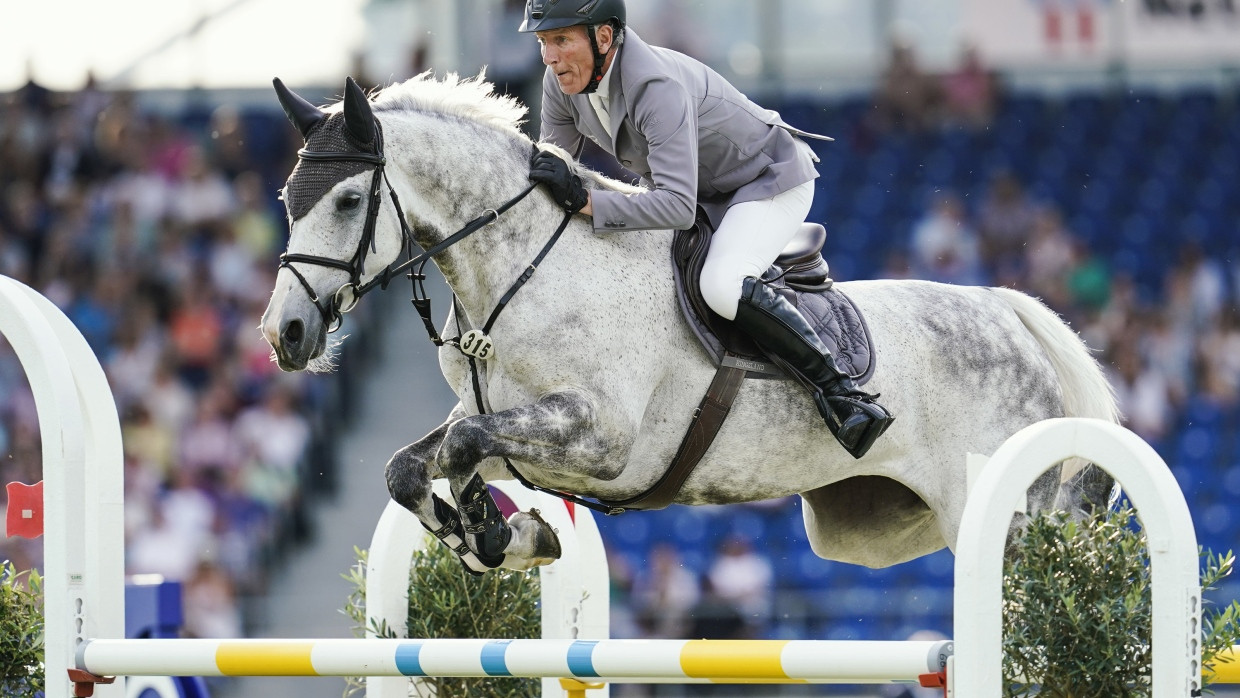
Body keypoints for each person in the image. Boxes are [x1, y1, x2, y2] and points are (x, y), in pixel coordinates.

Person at [518, 0, 892, 458]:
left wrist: (590, 202)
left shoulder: (656, 86)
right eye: (543, 43)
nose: (550, 57)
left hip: (763, 182)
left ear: (603, 37)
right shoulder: (562, 83)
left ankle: (842, 396)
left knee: (720, 283)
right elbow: (555, 168)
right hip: (698, 194)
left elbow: (674, 206)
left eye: (560, 40)